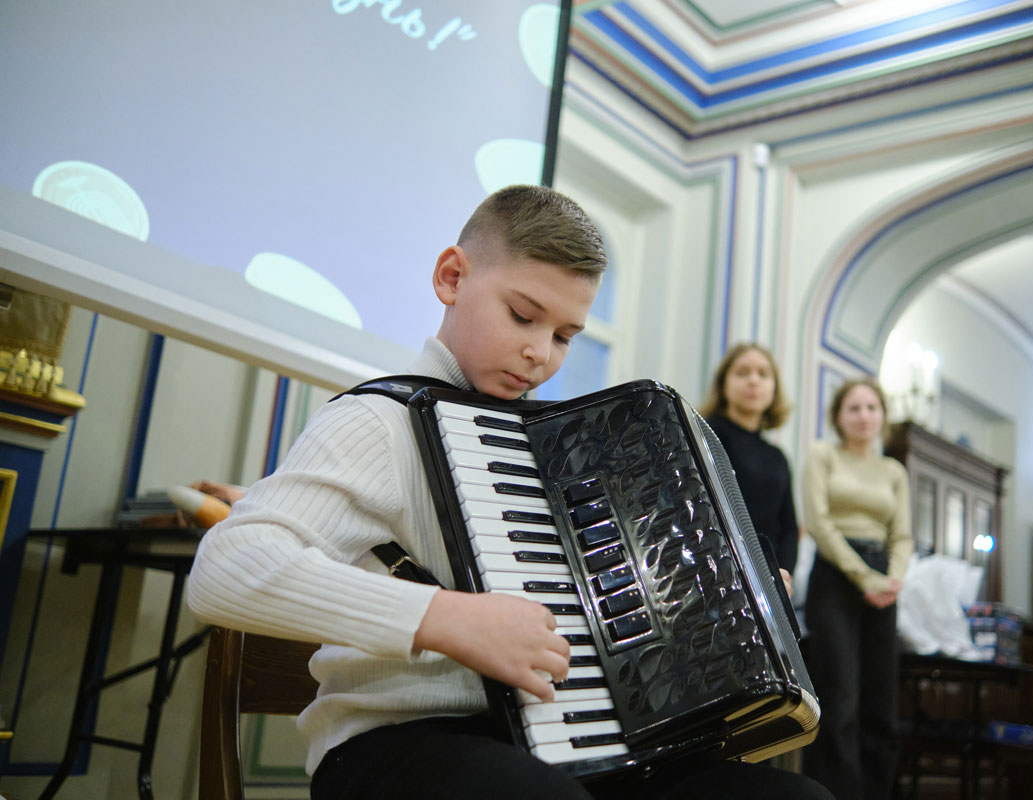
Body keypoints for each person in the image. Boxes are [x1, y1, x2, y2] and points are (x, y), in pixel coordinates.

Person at [187, 185, 832, 800]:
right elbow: (225, 568)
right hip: (394, 744)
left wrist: (720, 612)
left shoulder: (562, 449)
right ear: (451, 278)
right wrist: (447, 619)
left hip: (563, 746)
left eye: (563, 337)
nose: (538, 354)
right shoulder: (377, 421)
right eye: (522, 315)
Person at [800, 377, 913, 800]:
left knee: (882, 703)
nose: (864, 416)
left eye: (872, 407)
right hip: (834, 576)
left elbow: (901, 536)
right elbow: (818, 523)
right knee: (840, 699)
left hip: (883, 580)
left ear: (882, 415)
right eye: (854, 408)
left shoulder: (893, 471)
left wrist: (891, 578)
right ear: (838, 417)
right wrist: (862, 576)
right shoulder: (822, 455)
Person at [698, 342, 801, 590]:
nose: (753, 381)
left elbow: (788, 529)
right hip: (714, 571)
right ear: (724, 384)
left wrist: (783, 575)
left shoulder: (778, 456)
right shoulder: (703, 433)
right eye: (742, 373)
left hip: (768, 579)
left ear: (774, 388)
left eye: (763, 374)